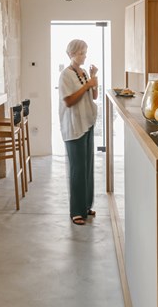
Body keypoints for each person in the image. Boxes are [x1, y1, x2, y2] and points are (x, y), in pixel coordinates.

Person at [58, 39, 99, 225]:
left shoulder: (83, 73)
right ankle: (76, 210)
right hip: (74, 126)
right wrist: (88, 85)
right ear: (71, 54)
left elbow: (94, 96)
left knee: (87, 167)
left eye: (85, 52)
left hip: (87, 122)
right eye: (81, 53)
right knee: (77, 169)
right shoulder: (65, 75)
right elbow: (68, 101)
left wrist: (93, 78)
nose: (84, 56)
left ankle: (85, 206)